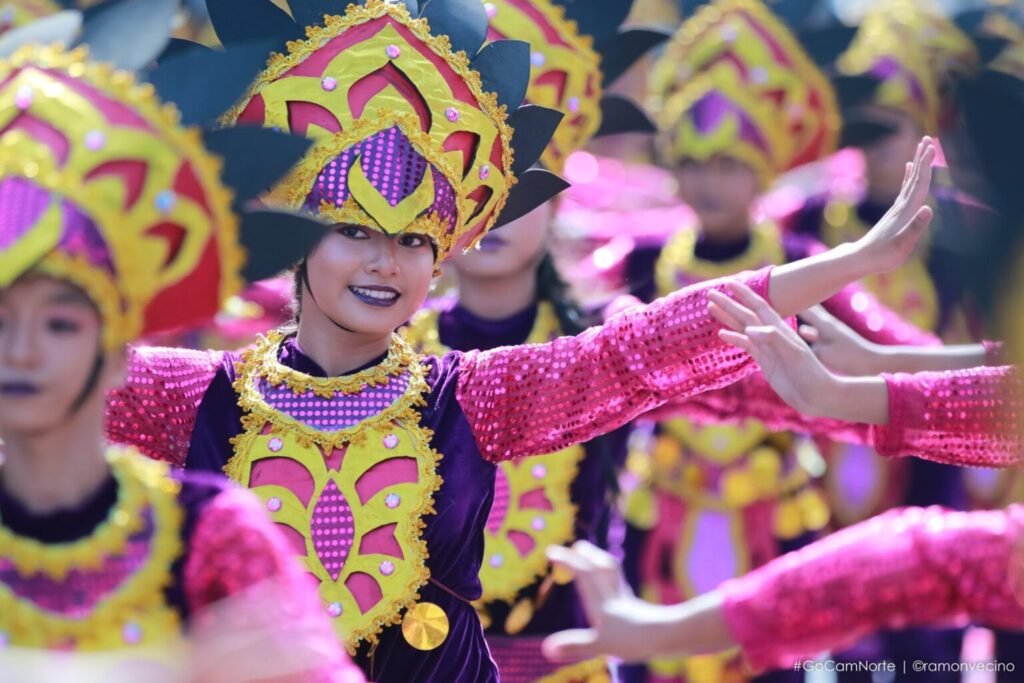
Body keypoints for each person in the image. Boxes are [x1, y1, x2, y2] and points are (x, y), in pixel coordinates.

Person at [100, 0, 939, 679]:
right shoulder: (192, 395)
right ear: (293, 233)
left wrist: (846, 263)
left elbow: (649, 347)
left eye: (416, 240)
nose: (386, 261)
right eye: (354, 229)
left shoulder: (474, 395)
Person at [0, 6, 361, 681]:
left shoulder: (211, 534)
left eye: (59, 323)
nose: (20, 351)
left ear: (115, 355)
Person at [401, 1, 663, 679]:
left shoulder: (611, 343)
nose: (496, 207)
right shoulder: (390, 351)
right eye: (470, 178)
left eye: (522, 180)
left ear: (560, 195)